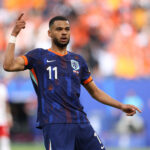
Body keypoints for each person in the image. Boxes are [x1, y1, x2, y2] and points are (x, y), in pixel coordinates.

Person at [3, 13, 141, 150]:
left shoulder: (78, 60)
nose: (64, 33)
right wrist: (14, 35)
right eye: (59, 29)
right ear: (50, 33)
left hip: (80, 121)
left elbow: (95, 92)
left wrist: (121, 106)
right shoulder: (38, 56)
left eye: (67, 29)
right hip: (55, 123)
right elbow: (8, 65)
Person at [0, 81, 13, 150]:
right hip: (2, 118)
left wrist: (9, 116)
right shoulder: (2, 88)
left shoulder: (2, 88)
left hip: (2, 118)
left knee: (4, 141)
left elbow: (6, 104)